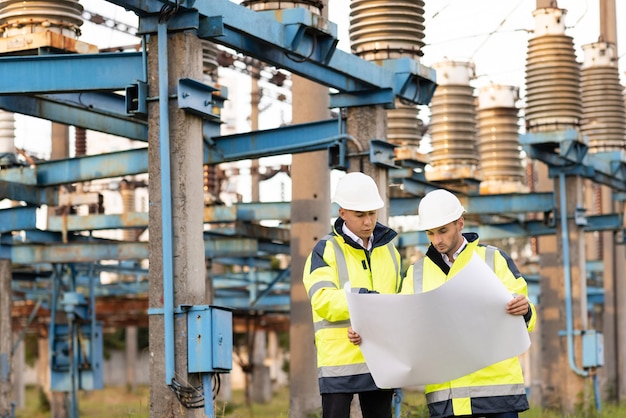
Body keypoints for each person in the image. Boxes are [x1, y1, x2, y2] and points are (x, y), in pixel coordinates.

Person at [402, 188, 537, 418]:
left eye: (443, 231)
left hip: (497, 390)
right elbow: (401, 321)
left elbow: (527, 315)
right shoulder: (417, 273)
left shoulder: (493, 259)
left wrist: (524, 310)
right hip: (447, 395)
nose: (437, 240)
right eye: (431, 233)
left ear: (460, 223)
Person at [302, 171, 402, 418]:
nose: (368, 222)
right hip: (339, 360)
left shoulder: (390, 251)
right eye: (360, 215)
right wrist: (362, 300)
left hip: (380, 357)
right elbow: (322, 299)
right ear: (343, 212)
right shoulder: (325, 250)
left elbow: (399, 301)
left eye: (372, 213)